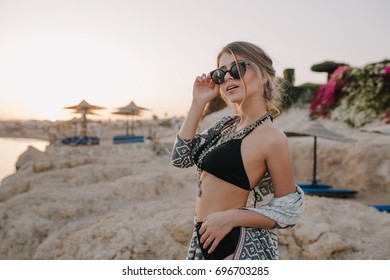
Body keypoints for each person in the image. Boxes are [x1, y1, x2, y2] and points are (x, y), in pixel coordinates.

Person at [171, 41, 304, 260]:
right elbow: (180, 158)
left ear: (263, 75)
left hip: (237, 246)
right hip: (205, 239)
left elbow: (289, 210)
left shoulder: (273, 138)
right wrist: (197, 103)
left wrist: (232, 217)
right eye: (220, 74)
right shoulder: (225, 125)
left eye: (237, 68)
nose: (228, 77)